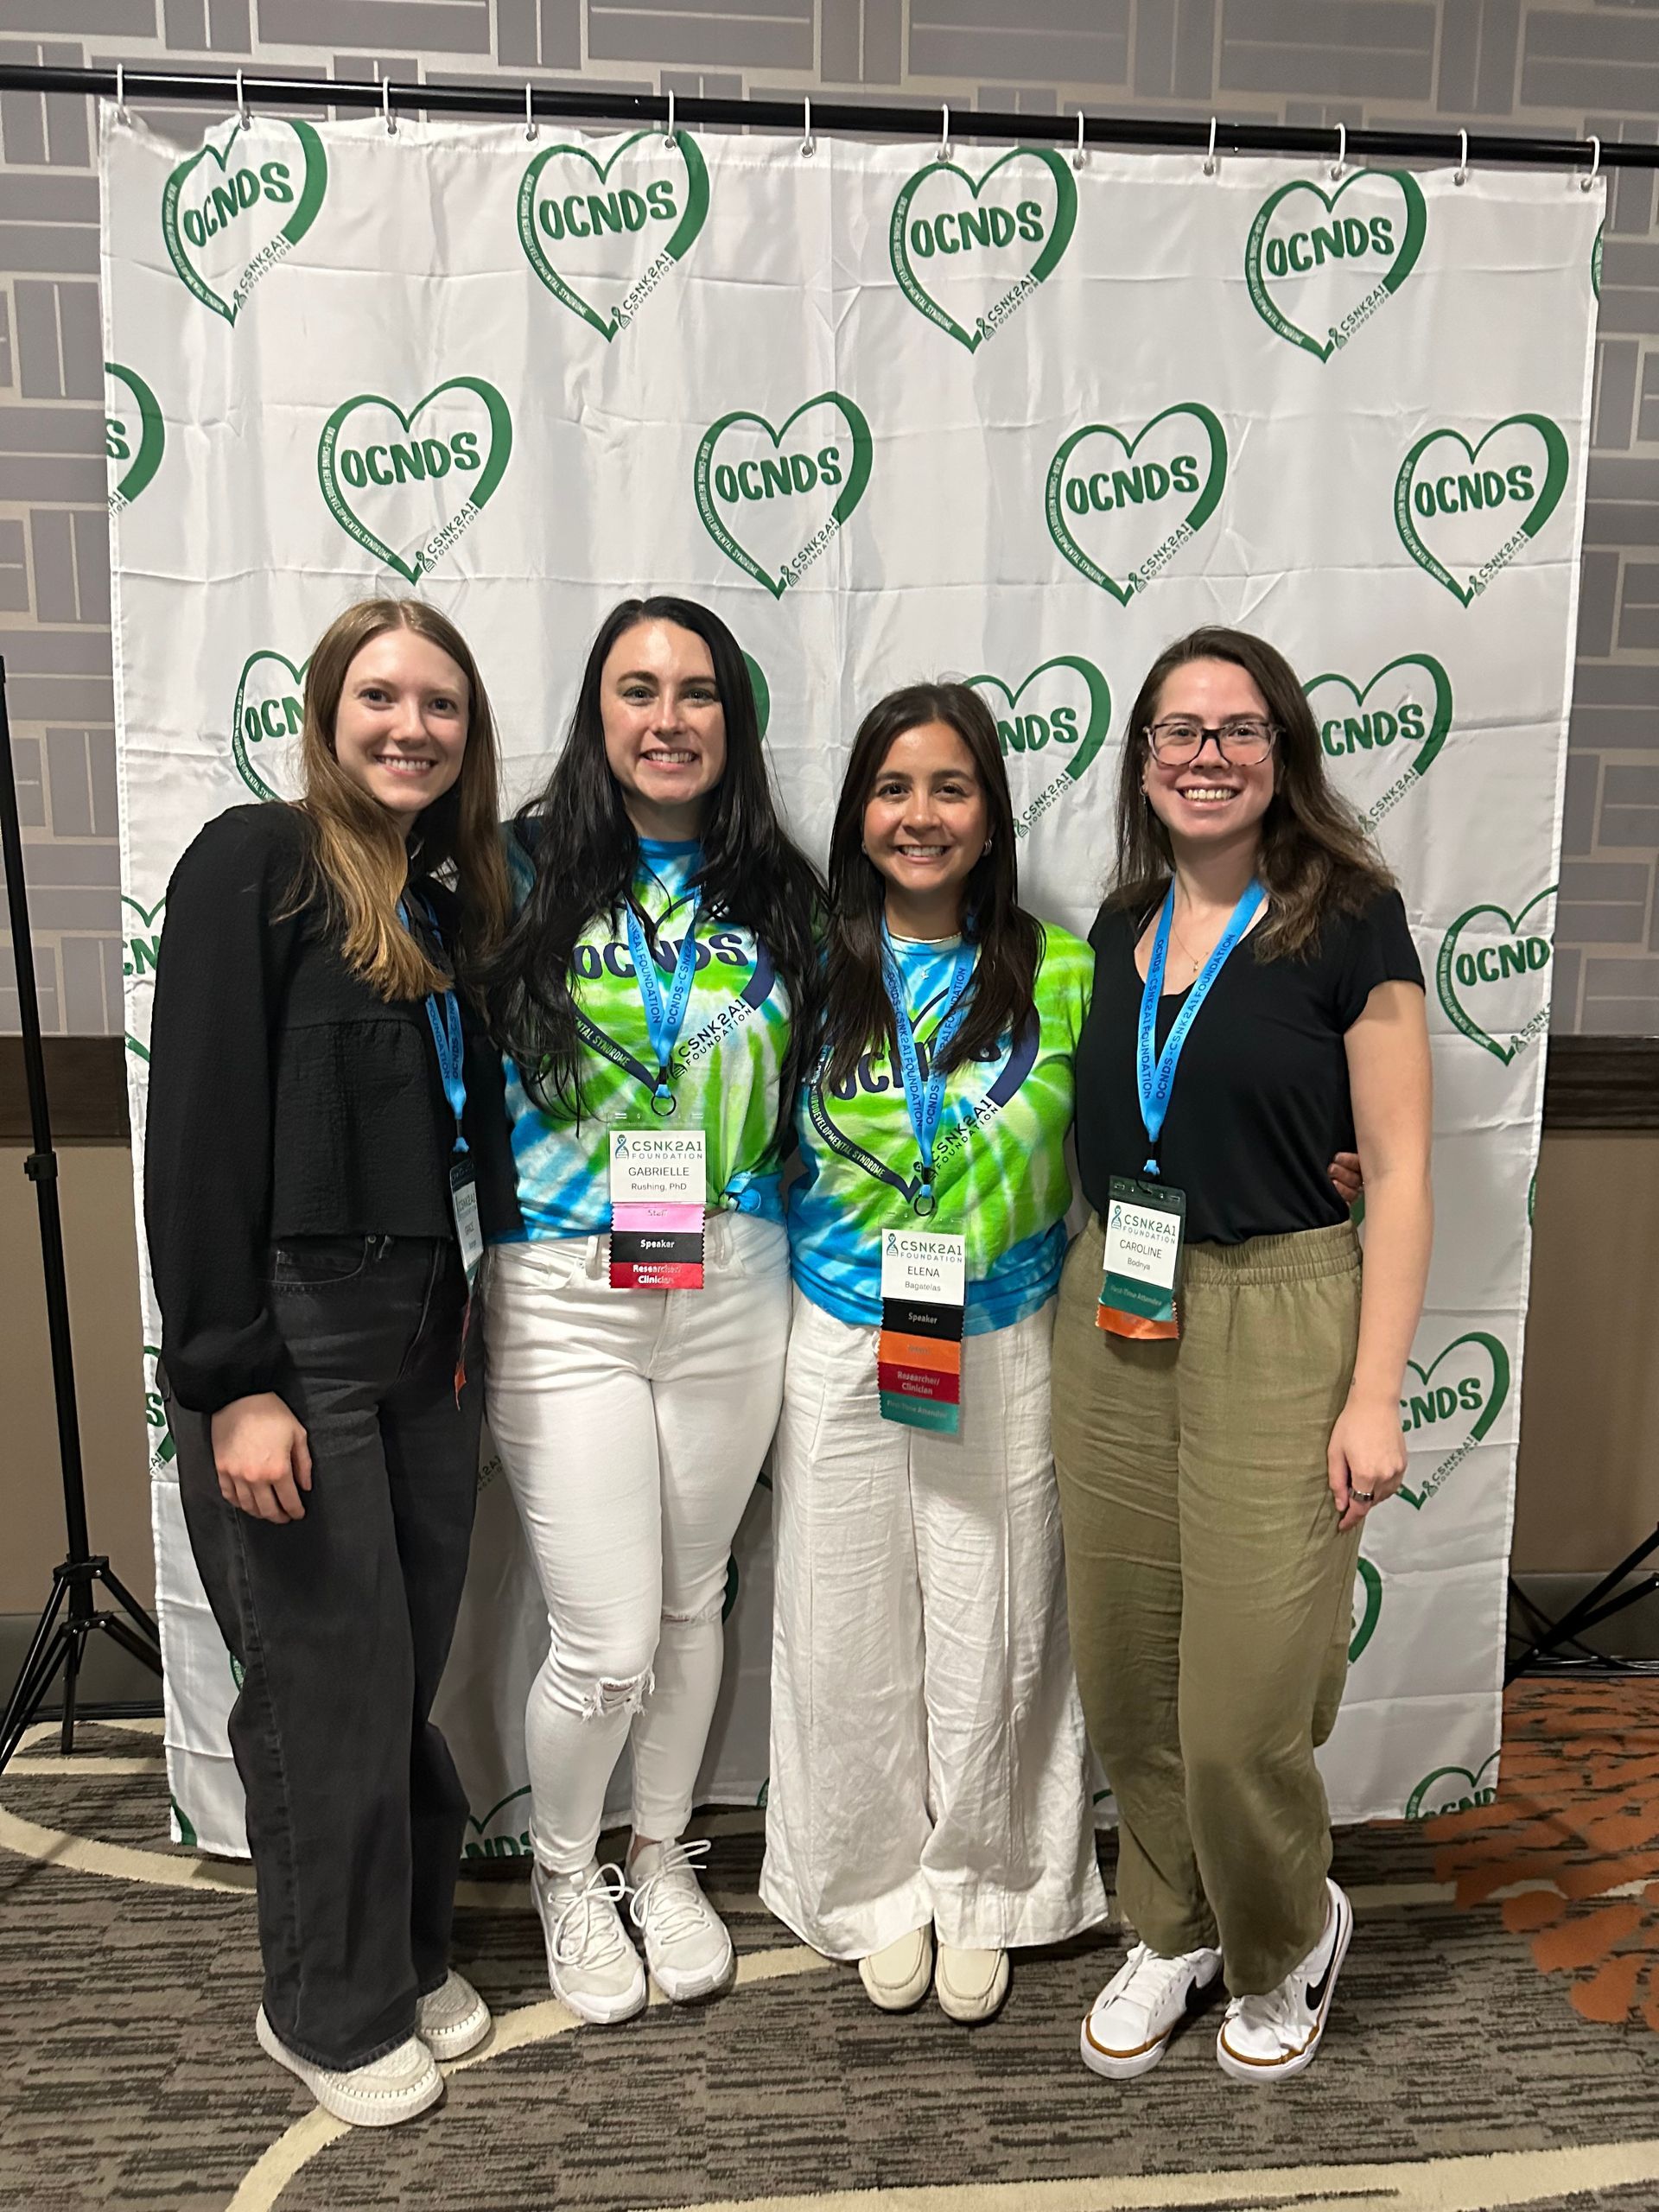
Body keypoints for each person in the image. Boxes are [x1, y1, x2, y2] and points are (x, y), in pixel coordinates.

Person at [146, 597, 512, 2126]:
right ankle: (324, 2001)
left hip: (431, 1331)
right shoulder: (256, 862)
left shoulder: (449, 900)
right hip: (297, 1334)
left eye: (439, 703)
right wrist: (233, 1379)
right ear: (325, 712)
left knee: (401, 1667)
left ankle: (405, 1944)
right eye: (380, 696)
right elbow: (200, 1127)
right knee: (322, 1682)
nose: (409, 726)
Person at [1052, 625, 1432, 2085]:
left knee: (1241, 1707)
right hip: (1118, 1308)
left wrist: (1377, 1389)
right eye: (1176, 731)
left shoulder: (1350, 920)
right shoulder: (1117, 927)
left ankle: (1286, 1934)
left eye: (1237, 730)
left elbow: (1396, 1169)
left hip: (1284, 1316)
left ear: (1284, 758)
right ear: (1142, 762)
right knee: (1131, 1678)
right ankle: (1176, 1920)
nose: (1205, 756)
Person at [477, 595, 822, 2024]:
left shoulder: (786, 893)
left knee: (693, 1607)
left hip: (736, 1277)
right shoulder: (509, 869)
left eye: (695, 693)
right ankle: (567, 1874)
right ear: (597, 711)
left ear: (730, 722)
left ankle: (661, 1854)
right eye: (637, 689)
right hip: (564, 1287)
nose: (668, 718)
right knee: (606, 1639)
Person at [761, 682, 1109, 2026]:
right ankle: (863, 1884)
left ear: (990, 814)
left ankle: (994, 1880)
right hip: (841, 1330)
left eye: (950, 787)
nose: (920, 814)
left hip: (1005, 1334)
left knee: (1000, 1613)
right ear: (859, 812)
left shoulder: (1065, 970)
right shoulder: (804, 969)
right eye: (894, 788)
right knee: (841, 1618)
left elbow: (1142, 1133)